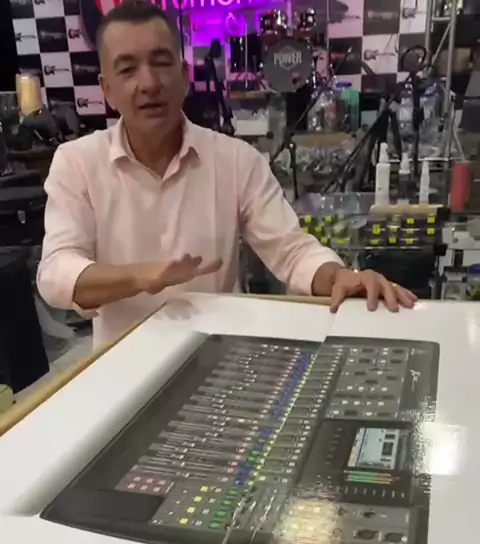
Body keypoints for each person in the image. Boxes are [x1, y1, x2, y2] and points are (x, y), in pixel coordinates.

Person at [37, 1, 416, 346]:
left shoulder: (235, 160)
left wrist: (338, 276)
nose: (149, 83)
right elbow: (56, 272)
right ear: (107, 89)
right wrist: (141, 276)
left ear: (184, 75)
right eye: (128, 68)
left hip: (216, 355)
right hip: (120, 365)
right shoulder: (77, 162)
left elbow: (291, 250)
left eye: (161, 62)